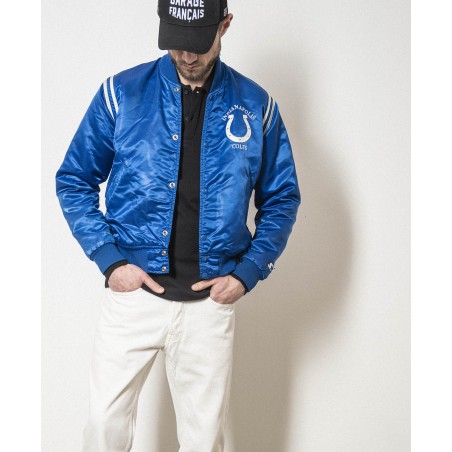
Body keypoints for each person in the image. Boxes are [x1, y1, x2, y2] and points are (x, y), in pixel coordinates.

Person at [55, 0, 301, 450]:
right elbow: (74, 179)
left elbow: (282, 198)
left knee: (203, 440)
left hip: (209, 304)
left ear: (225, 26)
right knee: (104, 427)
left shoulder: (255, 105)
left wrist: (247, 274)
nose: (187, 56)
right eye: (176, 42)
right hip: (133, 295)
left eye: (198, 43)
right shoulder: (122, 93)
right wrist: (111, 262)